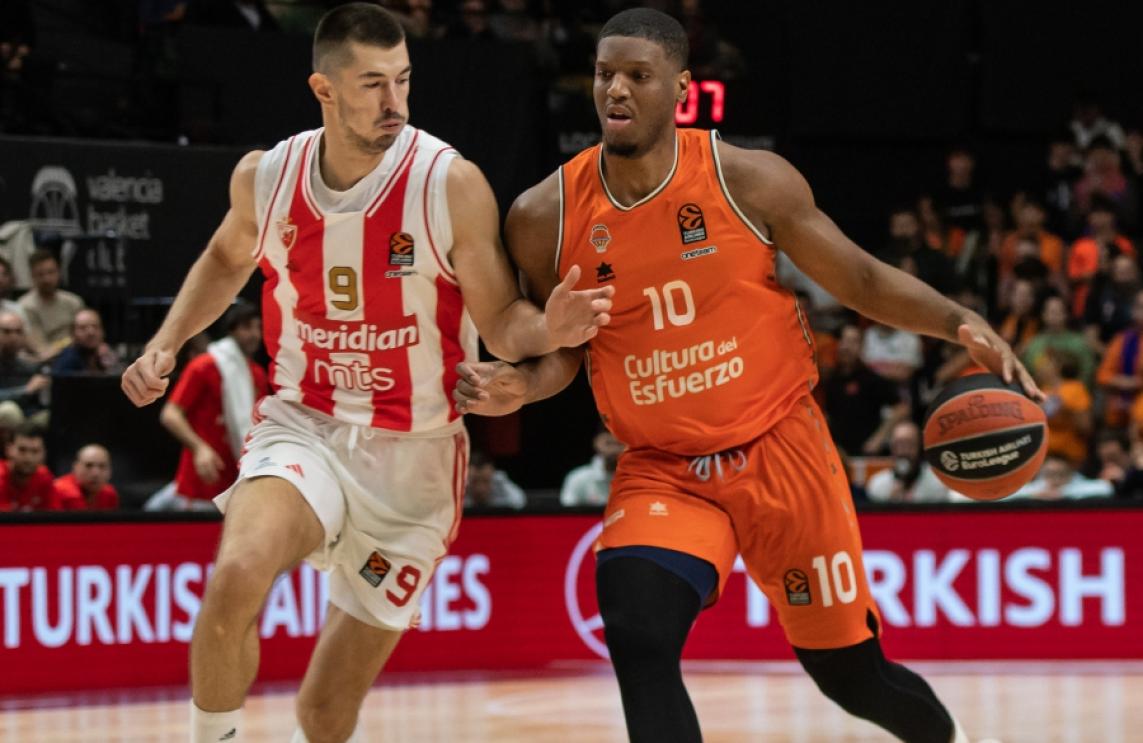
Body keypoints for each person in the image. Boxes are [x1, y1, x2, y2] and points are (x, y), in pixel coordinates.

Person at [454, 9, 1039, 743]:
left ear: (680, 87)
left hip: (780, 449)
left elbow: (858, 278)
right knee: (636, 632)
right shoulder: (544, 215)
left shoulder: (746, 179)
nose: (616, 90)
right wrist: (524, 384)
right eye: (605, 74)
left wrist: (958, 320)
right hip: (663, 466)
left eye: (638, 75)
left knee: (852, 676)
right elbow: (566, 351)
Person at [119, 5, 611, 743]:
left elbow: (503, 321)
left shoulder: (447, 183)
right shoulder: (266, 175)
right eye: (373, 83)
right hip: (306, 423)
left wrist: (552, 329)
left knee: (323, 713)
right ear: (324, 88)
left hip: (415, 458)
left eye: (403, 80)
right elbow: (225, 258)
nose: (395, 102)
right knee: (236, 576)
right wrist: (167, 341)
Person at [155, 302, 269, 512]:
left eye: (258, 328)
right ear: (232, 330)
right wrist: (199, 448)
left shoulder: (258, 374)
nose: (255, 334)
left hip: (238, 479)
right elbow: (170, 414)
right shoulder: (203, 366)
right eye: (247, 327)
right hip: (202, 482)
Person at [821, 324, 909, 456]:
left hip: (866, 454)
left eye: (853, 341)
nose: (846, 346)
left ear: (862, 347)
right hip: (838, 453)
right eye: (842, 340)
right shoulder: (831, 379)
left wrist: (878, 439)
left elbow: (902, 408)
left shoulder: (870, 378)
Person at [17, 250, 84, 362]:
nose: (47, 279)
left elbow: (84, 334)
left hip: (78, 354)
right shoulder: (24, 306)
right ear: (32, 276)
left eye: (51, 272)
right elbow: (40, 348)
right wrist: (69, 343)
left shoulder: (73, 301)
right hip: (46, 360)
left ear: (58, 272)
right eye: (40, 274)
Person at [864, 421, 953, 503]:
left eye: (909, 444)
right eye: (898, 444)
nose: (903, 452)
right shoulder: (877, 484)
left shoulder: (937, 484)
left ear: (919, 447)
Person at [560, 426, 624, 506]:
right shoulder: (578, 478)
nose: (613, 449)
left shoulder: (636, 478)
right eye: (608, 443)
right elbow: (568, 510)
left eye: (619, 444)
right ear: (596, 443)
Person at [0, 310, 47, 419]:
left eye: (18, 332)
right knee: (9, 411)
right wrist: (26, 390)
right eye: (7, 332)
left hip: (28, 417)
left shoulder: (30, 366)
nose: (13, 337)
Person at [0, 422, 56, 511]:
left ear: (44, 454)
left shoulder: (45, 478)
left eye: (35, 451)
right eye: (22, 450)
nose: (28, 458)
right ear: (8, 450)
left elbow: (54, 516)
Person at [1009, 454, 1112, 501]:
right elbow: (1006, 496)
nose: (1056, 479)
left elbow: (1105, 488)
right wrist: (1035, 495)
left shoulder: (1077, 484)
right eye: (1050, 474)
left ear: (1070, 473)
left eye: (1060, 474)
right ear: (1042, 473)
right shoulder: (1038, 487)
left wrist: (1063, 494)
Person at [51, 308, 123, 374]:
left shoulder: (106, 356)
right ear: (73, 333)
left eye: (95, 326)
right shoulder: (66, 361)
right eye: (83, 328)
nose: (91, 332)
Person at [55, 444, 119, 510]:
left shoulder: (110, 494)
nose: (95, 473)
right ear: (75, 467)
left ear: (110, 470)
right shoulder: (61, 491)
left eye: (102, 466)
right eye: (88, 465)